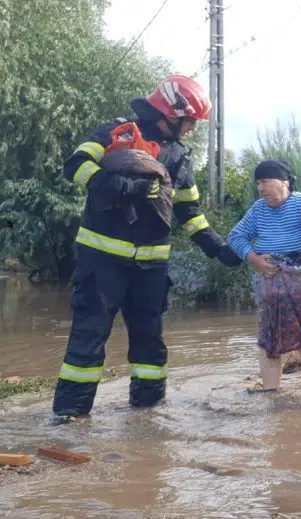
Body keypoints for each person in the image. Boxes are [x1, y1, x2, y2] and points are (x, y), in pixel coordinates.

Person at [52, 74, 243, 424]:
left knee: (149, 340)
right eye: (189, 122)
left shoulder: (180, 157)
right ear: (170, 112)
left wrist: (218, 249)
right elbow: (74, 167)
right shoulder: (117, 133)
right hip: (103, 260)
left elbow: (190, 213)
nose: (191, 129)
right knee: (90, 334)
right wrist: (122, 186)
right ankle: (70, 416)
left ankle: (148, 414)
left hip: (152, 266)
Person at [227, 160, 301, 392]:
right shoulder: (258, 209)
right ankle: (271, 396)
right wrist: (255, 260)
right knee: (268, 342)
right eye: (258, 183)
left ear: (284, 182)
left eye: (265, 182)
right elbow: (235, 236)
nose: (261, 188)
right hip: (272, 280)